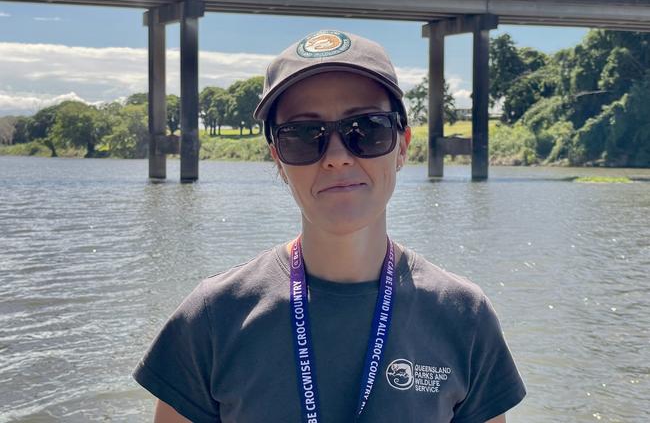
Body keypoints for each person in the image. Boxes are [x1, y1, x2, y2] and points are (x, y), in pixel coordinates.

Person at [133, 29, 526, 423]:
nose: (337, 157)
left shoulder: (463, 315)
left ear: (403, 145)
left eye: (367, 129)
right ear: (278, 160)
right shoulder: (213, 317)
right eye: (304, 135)